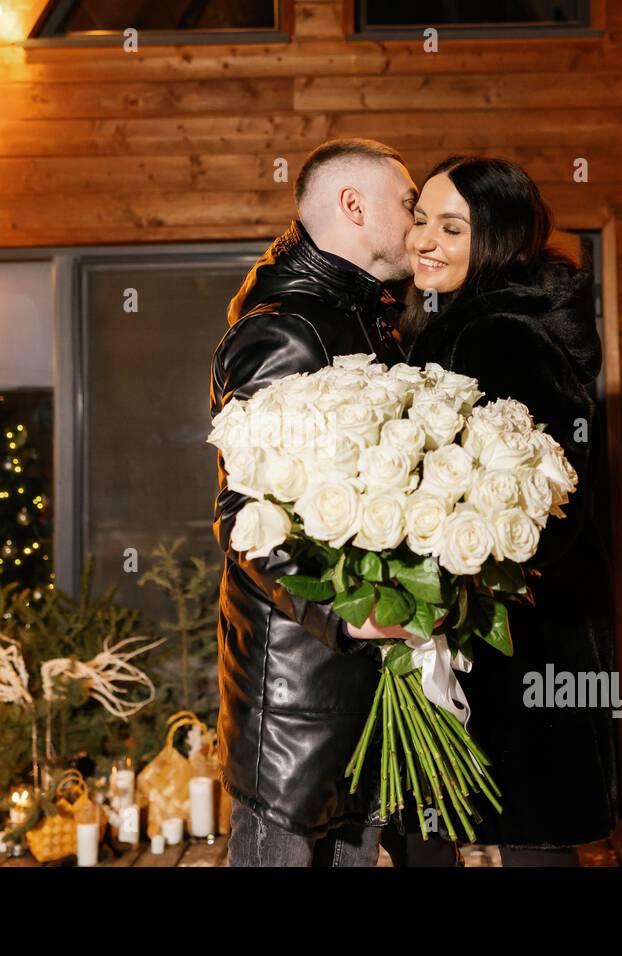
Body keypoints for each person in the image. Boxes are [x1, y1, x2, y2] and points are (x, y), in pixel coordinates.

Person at [394, 155, 619, 866]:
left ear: (497, 239)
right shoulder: (450, 320)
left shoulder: (500, 334)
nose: (425, 240)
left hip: (521, 633)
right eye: (421, 220)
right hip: (483, 623)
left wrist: (456, 567)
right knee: (479, 828)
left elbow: (552, 492)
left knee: (522, 834)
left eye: (451, 228)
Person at [210, 138, 425, 866]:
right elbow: (245, 517)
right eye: (408, 203)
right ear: (353, 206)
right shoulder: (285, 328)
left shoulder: (370, 318)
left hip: (361, 687)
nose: (417, 220)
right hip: (298, 701)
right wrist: (344, 613)